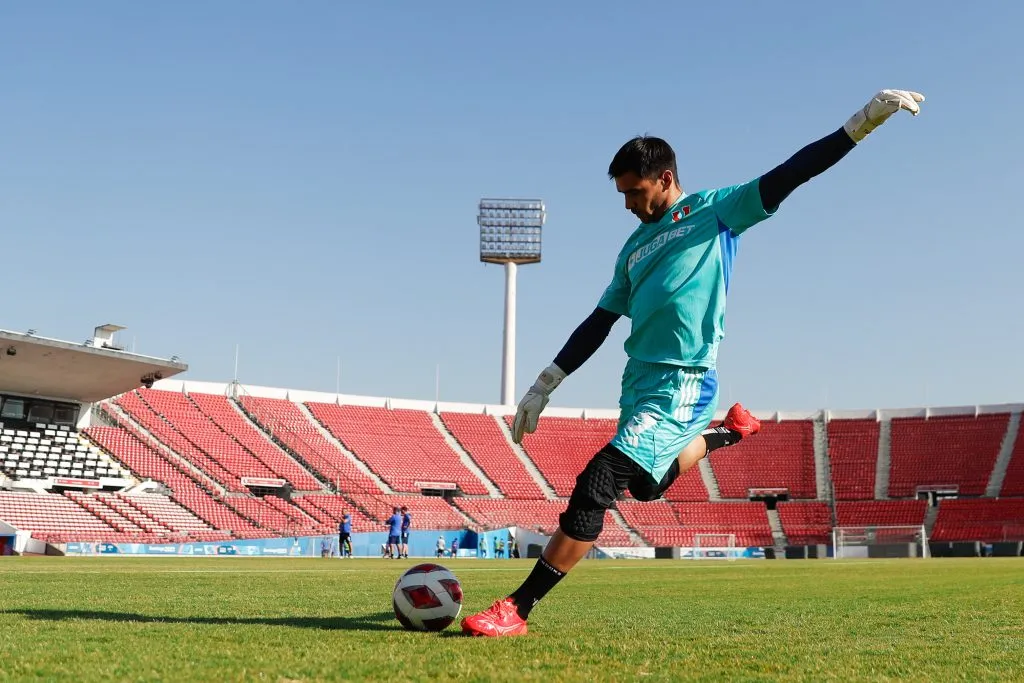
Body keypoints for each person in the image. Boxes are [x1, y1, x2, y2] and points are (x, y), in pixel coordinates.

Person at [461, 89, 926, 637]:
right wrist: (547, 381)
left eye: (634, 192)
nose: (627, 204)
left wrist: (861, 123)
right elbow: (599, 321)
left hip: (684, 381)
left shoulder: (716, 210)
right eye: (622, 195)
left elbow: (792, 173)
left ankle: (518, 608)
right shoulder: (632, 249)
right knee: (646, 486)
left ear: (664, 178)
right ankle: (728, 434)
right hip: (639, 382)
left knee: (598, 481)